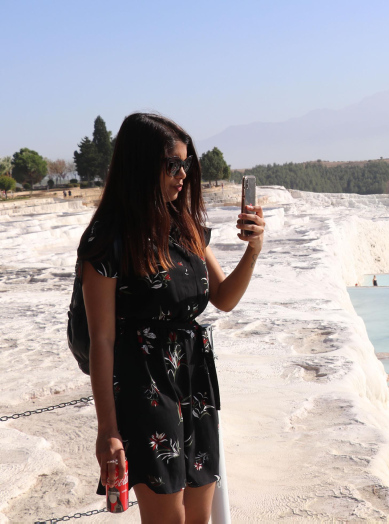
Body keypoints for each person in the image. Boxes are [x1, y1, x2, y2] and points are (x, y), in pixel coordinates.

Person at [79, 113, 266, 522]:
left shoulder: (185, 224)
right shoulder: (107, 239)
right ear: (142, 166)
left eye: (186, 164)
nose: (183, 174)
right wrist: (107, 430)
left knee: (199, 517)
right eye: (172, 164)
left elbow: (224, 298)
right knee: (169, 519)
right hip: (145, 384)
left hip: (194, 379)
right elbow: (101, 339)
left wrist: (253, 249)